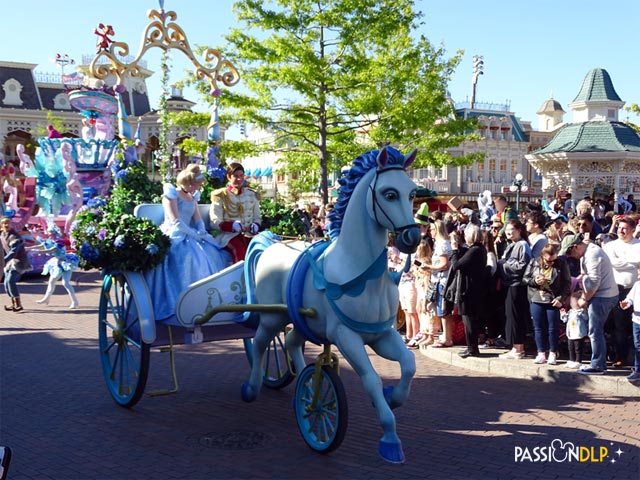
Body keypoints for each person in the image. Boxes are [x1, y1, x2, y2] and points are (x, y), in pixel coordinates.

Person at [144, 164, 231, 321]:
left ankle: (207, 303)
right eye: (199, 184)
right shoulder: (172, 195)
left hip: (192, 234)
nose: (200, 186)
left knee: (214, 253)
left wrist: (202, 231)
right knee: (186, 256)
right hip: (176, 234)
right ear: (190, 183)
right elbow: (175, 221)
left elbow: (197, 218)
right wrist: (194, 234)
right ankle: (182, 304)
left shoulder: (192, 196)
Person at [565, 233, 618, 375]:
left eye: (570, 252)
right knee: (596, 330)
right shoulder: (588, 252)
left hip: (603, 296)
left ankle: (598, 365)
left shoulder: (592, 255)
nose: (570, 256)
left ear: (576, 247)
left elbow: (594, 283)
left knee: (595, 330)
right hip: (601, 294)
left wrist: (584, 298)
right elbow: (587, 278)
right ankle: (599, 362)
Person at [523, 243, 571, 365]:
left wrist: (561, 298)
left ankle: (553, 353)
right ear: (542, 256)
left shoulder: (561, 264)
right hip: (536, 297)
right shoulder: (534, 262)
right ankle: (541, 352)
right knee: (538, 327)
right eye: (547, 260)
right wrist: (535, 281)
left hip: (553, 299)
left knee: (553, 328)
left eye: (553, 260)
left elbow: (567, 283)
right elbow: (525, 279)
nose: (550, 263)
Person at [602, 215, 640, 368]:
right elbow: (612, 263)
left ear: (632, 230)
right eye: (619, 228)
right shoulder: (610, 245)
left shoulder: (638, 245)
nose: (621, 231)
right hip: (614, 289)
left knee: (630, 326)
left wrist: (627, 262)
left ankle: (627, 356)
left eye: (625, 228)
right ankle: (618, 355)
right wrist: (632, 263)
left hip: (634, 290)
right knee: (616, 326)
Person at [445, 223, 487, 358]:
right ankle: (471, 347)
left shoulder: (476, 250)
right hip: (472, 288)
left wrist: (454, 250)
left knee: (469, 319)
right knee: (468, 319)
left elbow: (457, 265)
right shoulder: (476, 249)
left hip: (470, 289)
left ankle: (472, 348)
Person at [209, 163, 262, 262]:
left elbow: (257, 217)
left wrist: (256, 225)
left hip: (249, 234)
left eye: (241, 176)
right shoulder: (221, 195)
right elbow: (214, 221)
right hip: (228, 236)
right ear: (229, 177)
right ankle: (241, 277)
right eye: (236, 176)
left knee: (262, 247)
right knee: (239, 250)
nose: (239, 179)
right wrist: (231, 226)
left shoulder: (252, 195)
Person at [497, 219, 532, 359]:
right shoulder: (511, 245)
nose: (508, 232)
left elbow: (523, 265)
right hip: (509, 283)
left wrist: (503, 265)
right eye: (507, 229)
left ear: (519, 230)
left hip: (517, 284)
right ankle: (515, 346)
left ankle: (518, 348)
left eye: (511, 229)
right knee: (511, 315)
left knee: (516, 315)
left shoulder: (522, 245)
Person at [424, 220, 453, 347]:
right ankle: (445, 336)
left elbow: (445, 264)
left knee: (443, 310)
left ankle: (447, 338)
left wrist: (430, 267)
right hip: (439, 280)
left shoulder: (442, 244)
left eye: (432, 229)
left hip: (443, 280)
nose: (430, 232)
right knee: (441, 310)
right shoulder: (440, 244)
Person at [27, 237, 79, 308]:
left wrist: (36, 252)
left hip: (66, 263)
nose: (48, 234)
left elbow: (49, 251)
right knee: (51, 281)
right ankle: (46, 299)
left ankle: (75, 302)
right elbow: (41, 245)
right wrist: (28, 248)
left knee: (65, 283)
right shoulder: (51, 241)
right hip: (58, 263)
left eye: (50, 232)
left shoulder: (58, 244)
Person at [1, 217, 31, 312]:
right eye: (4, 223)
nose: (6, 225)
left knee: (10, 281)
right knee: (6, 283)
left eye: (8, 223)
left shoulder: (15, 236)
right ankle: (13, 303)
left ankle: (18, 304)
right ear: (1, 226)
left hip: (19, 262)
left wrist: (3, 261)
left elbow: (13, 252)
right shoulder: (2, 235)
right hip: (9, 262)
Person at [561, 290, 589, 369]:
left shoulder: (581, 311)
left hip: (579, 333)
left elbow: (586, 318)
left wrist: (584, 309)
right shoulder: (570, 311)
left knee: (578, 348)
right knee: (570, 347)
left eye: (574, 302)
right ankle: (571, 360)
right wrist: (563, 315)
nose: (572, 304)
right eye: (571, 302)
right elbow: (565, 320)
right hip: (570, 333)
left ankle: (578, 361)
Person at [620, 284, 640, 383]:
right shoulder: (637, 285)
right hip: (637, 320)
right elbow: (630, 299)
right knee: (637, 346)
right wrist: (625, 303)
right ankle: (638, 370)